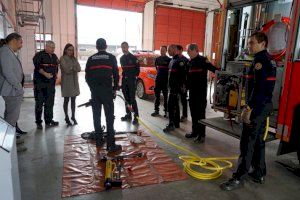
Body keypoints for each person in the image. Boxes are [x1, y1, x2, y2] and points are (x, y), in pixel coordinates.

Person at [220, 32, 276, 191]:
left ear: (263, 43)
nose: (249, 45)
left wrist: (248, 108)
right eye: (249, 42)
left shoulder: (260, 61)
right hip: (264, 105)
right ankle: (259, 173)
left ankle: (239, 178)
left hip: (257, 106)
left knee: (246, 143)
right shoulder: (269, 61)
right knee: (258, 140)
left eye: (252, 43)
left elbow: (259, 89)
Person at [85, 38, 121, 153]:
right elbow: (116, 74)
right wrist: (115, 88)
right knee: (109, 118)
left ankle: (99, 141)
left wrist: (92, 89)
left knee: (96, 116)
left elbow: (87, 77)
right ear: (106, 46)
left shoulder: (91, 59)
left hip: (95, 92)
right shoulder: (111, 58)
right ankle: (111, 145)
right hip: (107, 92)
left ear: (96, 47)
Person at [185, 43, 218, 143]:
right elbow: (188, 77)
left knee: (200, 115)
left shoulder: (203, 60)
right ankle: (194, 132)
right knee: (193, 114)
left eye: (188, 51)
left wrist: (220, 77)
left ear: (195, 50)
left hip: (200, 93)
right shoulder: (189, 62)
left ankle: (201, 135)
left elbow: (215, 70)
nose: (187, 53)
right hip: (192, 92)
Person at [0, 33, 27, 152]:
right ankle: (7, 147)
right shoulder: (5, 52)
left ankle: (10, 142)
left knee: (10, 118)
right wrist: (18, 87)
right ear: (13, 40)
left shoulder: (7, 51)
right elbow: (8, 73)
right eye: (20, 42)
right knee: (11, 119)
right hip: (11, 91)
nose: (21, 45)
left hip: (12, 90)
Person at [33, 41, 59, 129]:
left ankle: (49, 120)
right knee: (39, 103)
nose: (53, 49)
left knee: (50, 103)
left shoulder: (54, 56)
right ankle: (38, 122)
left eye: (54, 47)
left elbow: (56, 67)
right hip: (40, 84)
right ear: (46, 47)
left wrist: (55, 76)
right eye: (51, 47)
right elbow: (37, 67)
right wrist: (45, 74)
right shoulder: (39, 55)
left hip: (50, 85)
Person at [163, 44, 185, 132]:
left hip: (175, 88)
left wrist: (180, 87)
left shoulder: (179, 61)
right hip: (172, 87)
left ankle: (171, 124)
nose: (168, 52)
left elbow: (183, 76)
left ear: (174, 50)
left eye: (169, 50)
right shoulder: (172, 60)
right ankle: (176, 123)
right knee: (175, 105)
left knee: (171, 106)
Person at [60, 43, 81, 126]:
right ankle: (66, 116)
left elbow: (79, 68)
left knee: (73, 100)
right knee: (66, 100)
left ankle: (73, 116)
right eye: (69, 50)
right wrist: (73, 68)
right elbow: (66, 70)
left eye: (72, 50)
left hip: (74, 82)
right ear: (65, 50)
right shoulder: (62, 58)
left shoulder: (74, 59)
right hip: (66, 82)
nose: (71, 51)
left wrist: (72, 67)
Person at [120, 42, 140, 125]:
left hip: (131, 81)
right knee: (126, 99)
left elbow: (137, 70)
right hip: (125, 81)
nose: (123, 48)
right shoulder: (121, 58)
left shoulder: (133, 58)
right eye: (122, 47)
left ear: (128, 47)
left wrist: (133, 77)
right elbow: (123, 69)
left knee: (132, 99)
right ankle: (128, 114)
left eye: (125, 47)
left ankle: (136, 117)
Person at [151, 45, 170, 117]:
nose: (162, 51)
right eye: (161, 50)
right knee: (157, 96)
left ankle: (166, 111)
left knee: (165, 97)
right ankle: (156, 110)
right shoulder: (157, 59)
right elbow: (157, 69)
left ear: (166, 51)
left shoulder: (169, 60)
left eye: (163, 50)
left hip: (165, 81)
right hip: (158, 80)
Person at [177, 45, 189, 122]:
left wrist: (185, 85)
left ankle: (184, 115)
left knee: (183, 100)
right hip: (175, 83)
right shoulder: (174, 59)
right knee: (175, 99)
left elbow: (188, 73)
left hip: (183, 84)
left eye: (178, 50)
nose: (177, 52)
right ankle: (175, 114)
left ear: (181, 50)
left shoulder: (185, 60)